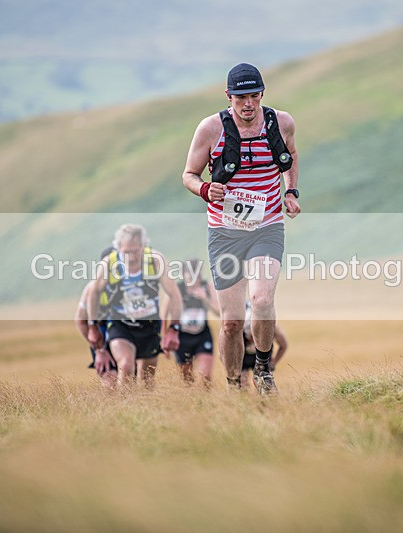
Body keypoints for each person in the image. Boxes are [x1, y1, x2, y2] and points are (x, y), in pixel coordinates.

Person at [182, 62, 300, 395]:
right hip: (225, 232)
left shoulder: (281, 122)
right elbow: (189, 174)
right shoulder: (210, 129)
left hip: (267, 226)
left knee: (261, 299)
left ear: (262, 93)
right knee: (232, 322)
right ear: (228, 96)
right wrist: (205, 189)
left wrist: (290, 191)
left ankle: (263, 367)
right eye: (240, 97)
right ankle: (235, 384)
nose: (248, 104)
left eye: (253, 96)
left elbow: (291, 155)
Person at [87, 224, 182, 387]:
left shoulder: (155, 260)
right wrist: (92, 326)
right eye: (126, 252)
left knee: (147, 378)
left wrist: (174, 329)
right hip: (120, 324)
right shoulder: (109, 264)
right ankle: (125, 407)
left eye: (135, 251)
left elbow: (174, 294)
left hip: (149, 325)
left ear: (143, 246)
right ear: (118, 248)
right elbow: (93, 293)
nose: (131, 257)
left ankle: (143, 410)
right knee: (125, 365)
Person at [171, 258, 219, 386]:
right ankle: (191, 401)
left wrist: (205, 299)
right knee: (187, 378)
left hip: (202, 335)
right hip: (182, 337)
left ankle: (206, 401)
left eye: (197, 275)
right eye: (190, 274)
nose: (194, 278)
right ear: (184, 274)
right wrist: (166, 336)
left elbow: (218, 311)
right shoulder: (178, 289)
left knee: (205, 375)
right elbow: (165, 312)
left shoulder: (206, 286)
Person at [74, 246, 117, 384]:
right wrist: (98, 350)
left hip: (125, 332)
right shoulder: (91, 289)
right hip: (101, 334)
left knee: (130, 380)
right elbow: (80, 321)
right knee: (110, 382)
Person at [241, 301, 288, 390]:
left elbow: (283, 345)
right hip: (244, 357)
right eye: (249, 335)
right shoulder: (236, 328)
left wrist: (273, 362)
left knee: (263, 385)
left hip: (264, 356)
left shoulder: (270, 327)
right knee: (242, 384)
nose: (251, 338)